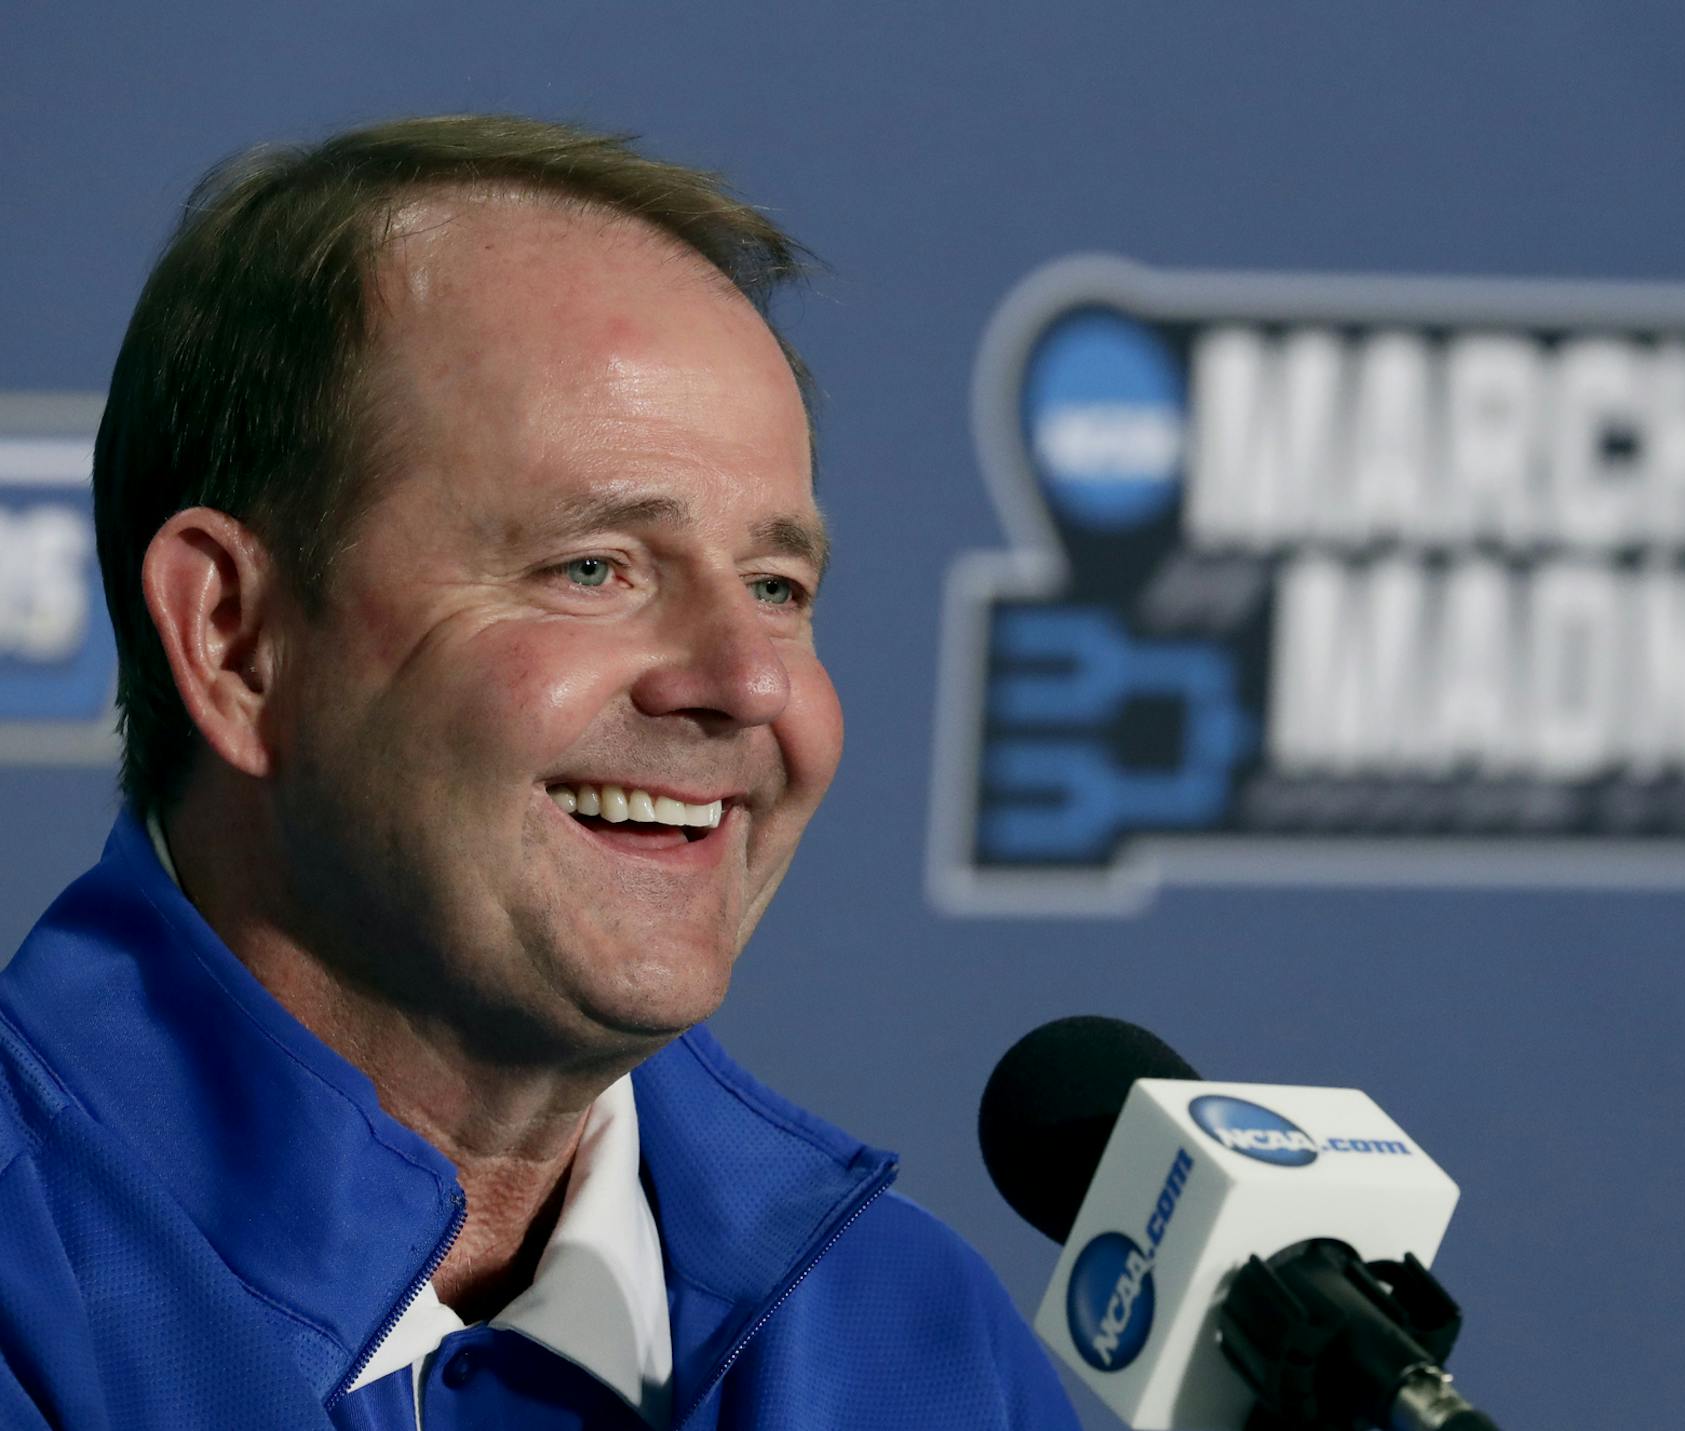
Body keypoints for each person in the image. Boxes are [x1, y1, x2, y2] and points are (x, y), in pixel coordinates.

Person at [0, 116, 1080, 1430]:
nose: (746, 682)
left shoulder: (915, 1338)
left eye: (777, 585)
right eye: (596, 568)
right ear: (236, 640)